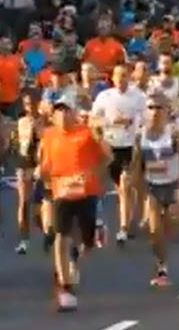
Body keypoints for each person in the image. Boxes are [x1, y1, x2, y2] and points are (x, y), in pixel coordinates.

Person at [39, 96, 109, 311]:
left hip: (86, 191)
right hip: (61, 192)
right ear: (53, 116)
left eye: (65, 110)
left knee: (86, 241)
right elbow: (44, 162)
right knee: (61, 235)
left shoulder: (86, 133)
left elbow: (106, 158)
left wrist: (93, 175)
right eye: (58, 111)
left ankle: (83, 245)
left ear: (72, 113)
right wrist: (43, 179)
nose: (62, 115)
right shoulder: (49, 136)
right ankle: (65, 286)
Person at [133, 92, 179, 287]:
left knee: (172, 231)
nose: (155, 112)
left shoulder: (173, 133)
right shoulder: (140, 135)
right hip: (153, 187)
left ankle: (168, 243)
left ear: (167, 111)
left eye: (159, 107)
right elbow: (137, 166)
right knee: (155, 231)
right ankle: (161, 267)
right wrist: (140, 196)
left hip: (172, 185)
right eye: (151, 107)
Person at [91, 64, 146, 244]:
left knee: (125, 185)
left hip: (130, 145)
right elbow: (93, 119)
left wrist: (133, 124)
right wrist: (109, 121)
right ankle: (99, 220)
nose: (121, 79)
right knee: (111, 186)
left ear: (129, 77)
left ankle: (123, 227)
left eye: (124, 76)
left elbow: (146, 119)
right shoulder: (105, 96)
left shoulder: (138, 96)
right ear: (112, 78)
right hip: (110, 145)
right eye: (118, 76)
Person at [13, 91, 45, 254]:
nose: (29, 107)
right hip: (24, 163)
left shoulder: (45, 121)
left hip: (40, 163)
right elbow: (17, 143)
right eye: (26, 104)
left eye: (32, 103)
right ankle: (24, 239)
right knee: (23, 202)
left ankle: (47, 232)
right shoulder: (21, 122)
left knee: (39, 206)